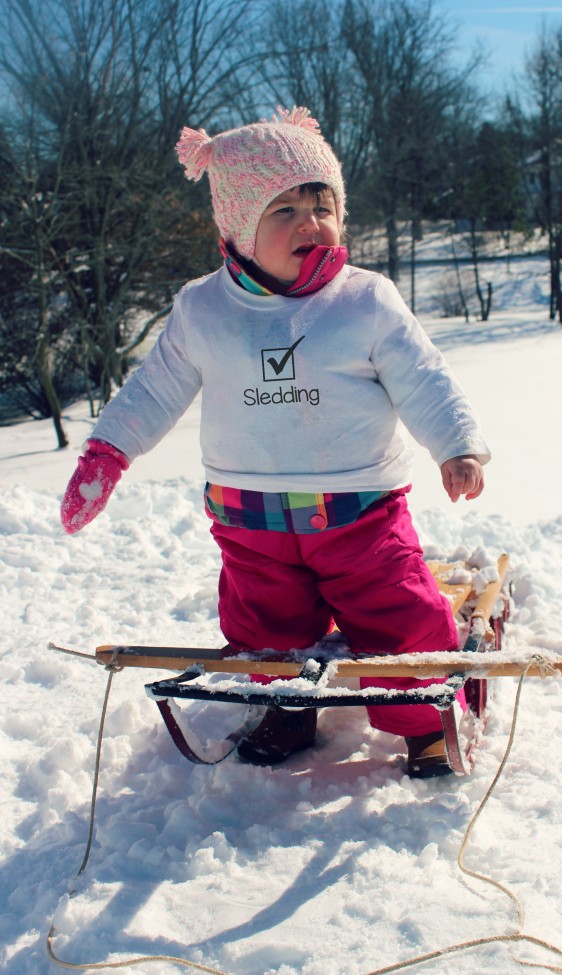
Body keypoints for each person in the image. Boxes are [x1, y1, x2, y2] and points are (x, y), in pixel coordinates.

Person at [60, 106, 490, 778]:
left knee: (398, 614)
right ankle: (284, 709)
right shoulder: (204, 311)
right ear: (238, 230)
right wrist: (107, 452)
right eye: (283, 211)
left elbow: (424, 378)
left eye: (322, 204)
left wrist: (457, 443)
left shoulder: (365, 302)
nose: (309, 223)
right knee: (263, 625)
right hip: (249, 519)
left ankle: (423, 719)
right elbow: (153, 388)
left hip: (360, 513)